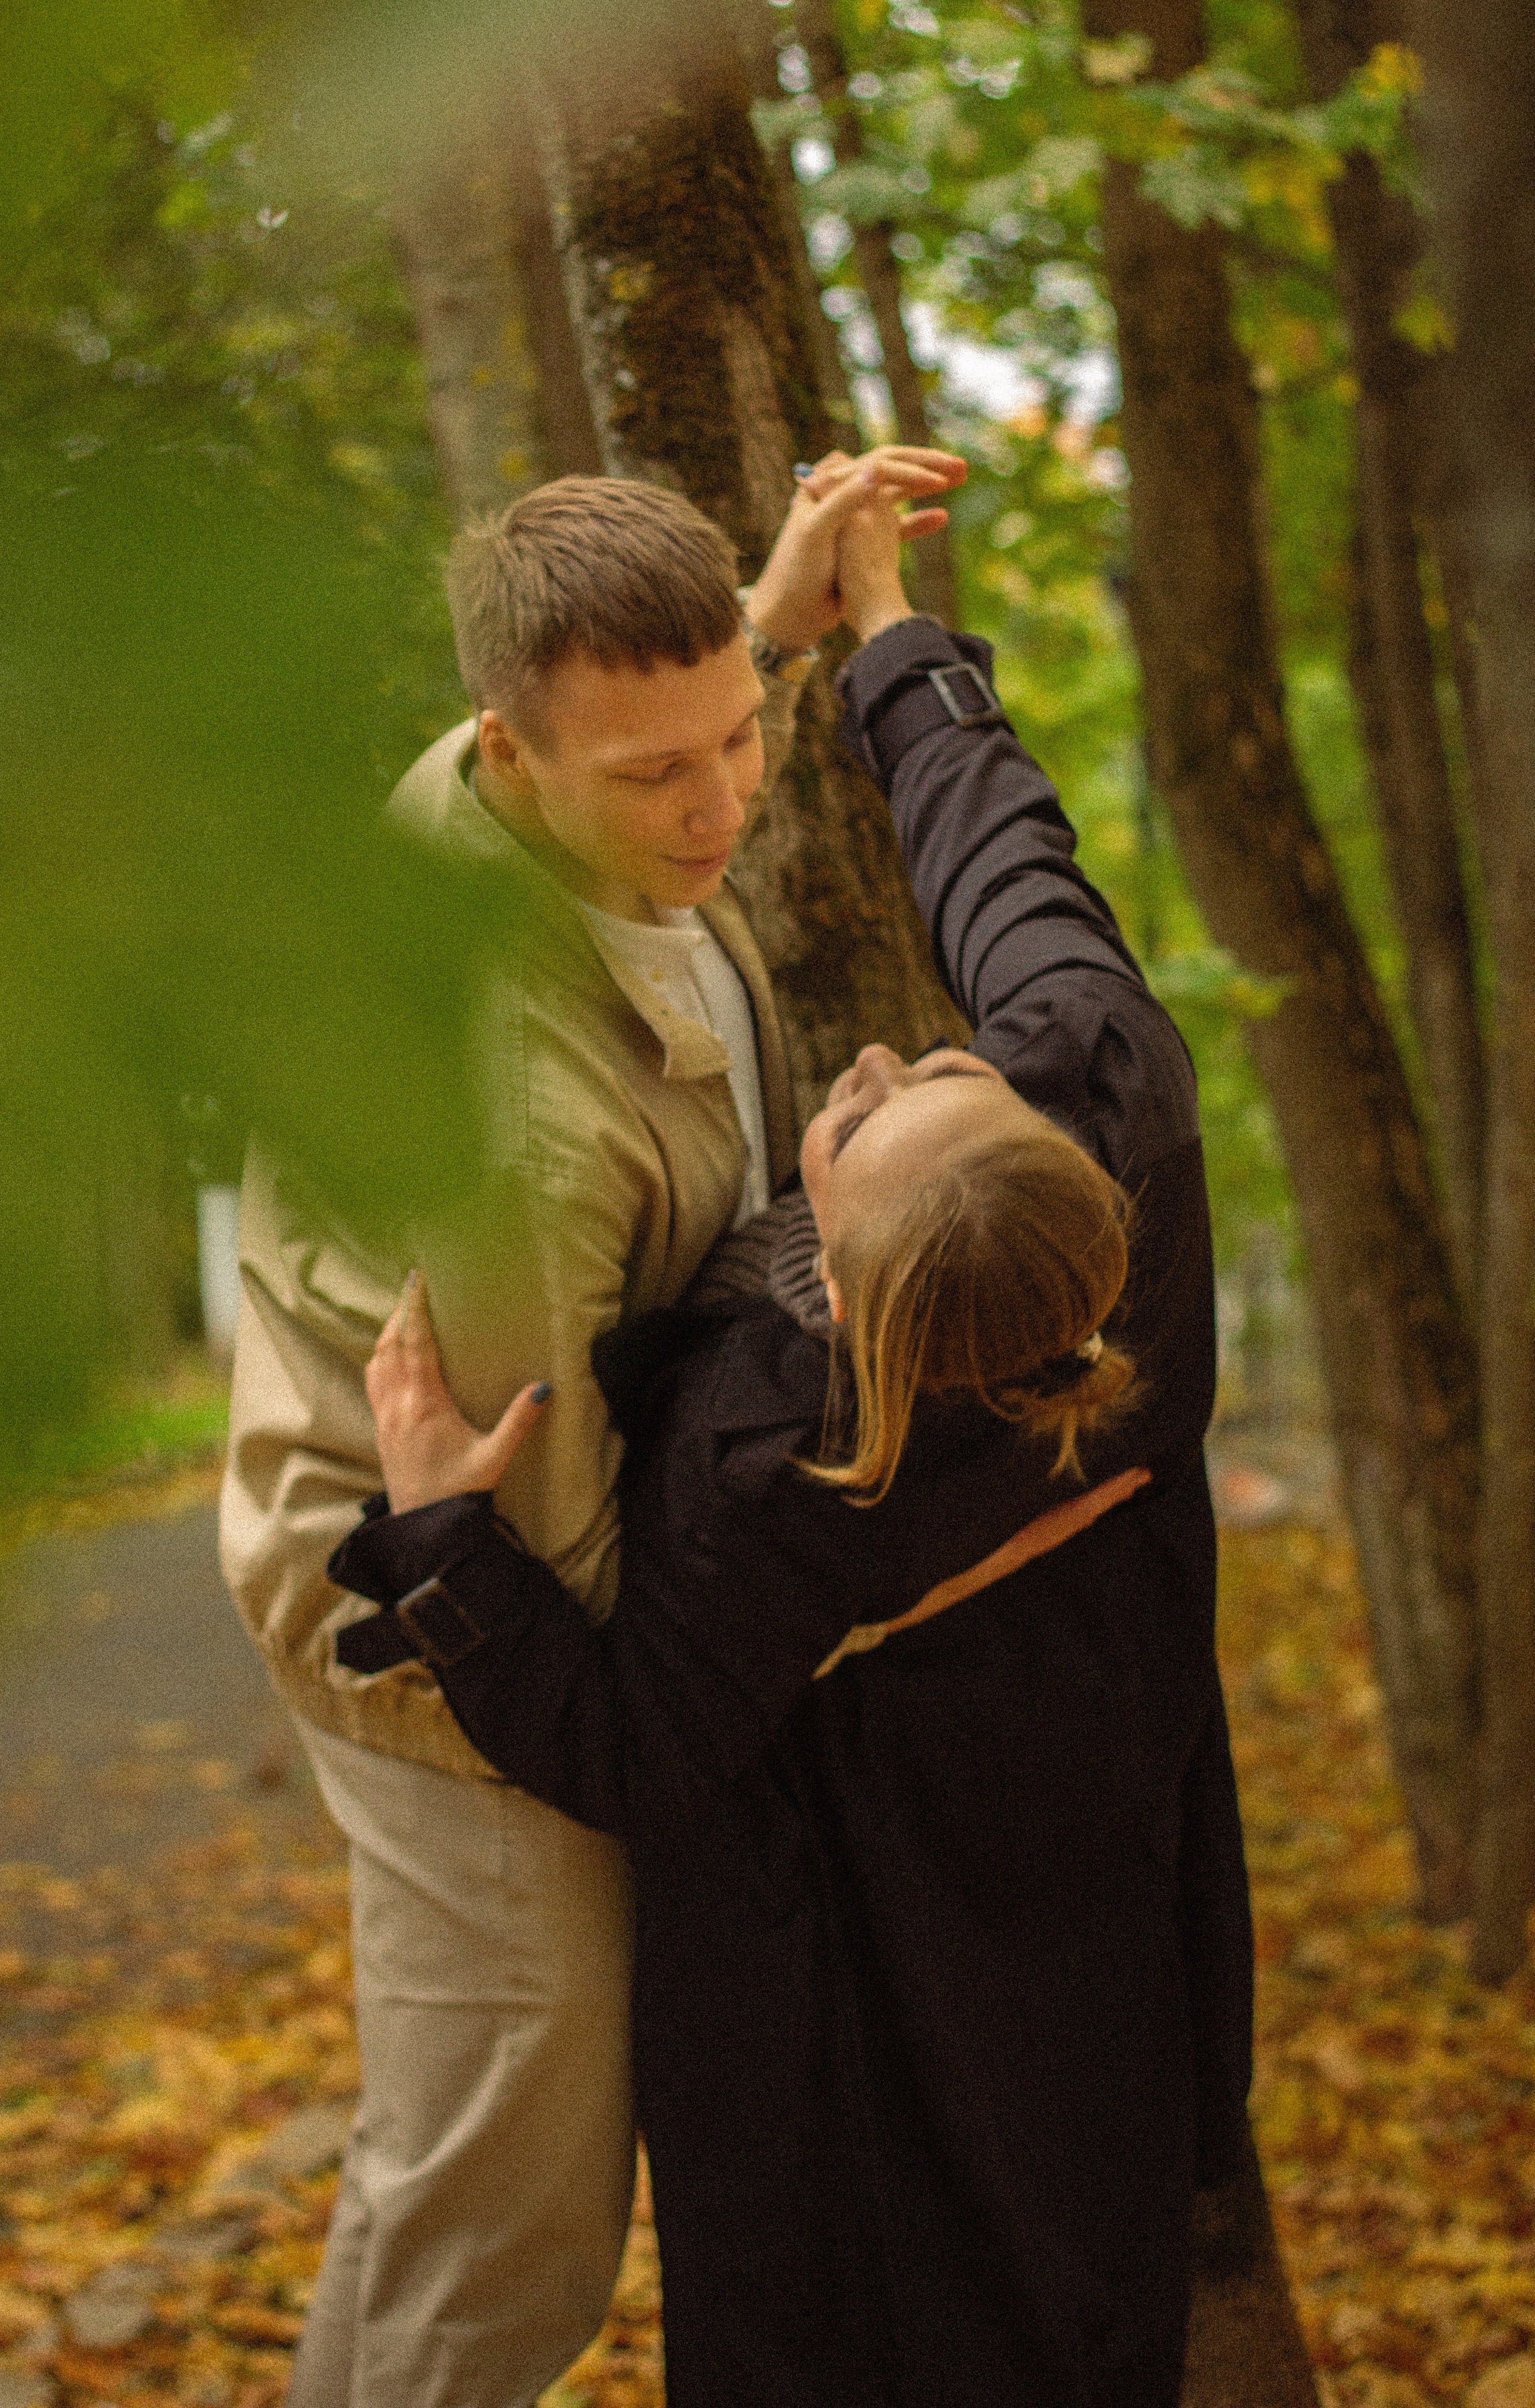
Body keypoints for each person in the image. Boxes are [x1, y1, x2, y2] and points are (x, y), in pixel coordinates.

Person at [331, 467, 1257, 2407]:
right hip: (1093, 1814)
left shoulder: (781, 1460)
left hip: (885, 1883)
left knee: (882, 2286)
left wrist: (441, 1542)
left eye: (858, 1124)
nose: (883, 1059)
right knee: (1076, 2236)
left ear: (837, 1281)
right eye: (945, 1066)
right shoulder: (1121, 1116)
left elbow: (627, 1735)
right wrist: (888, 642)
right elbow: (1007, 863)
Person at [217, 449, 967, 2408]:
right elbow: (554, 1593)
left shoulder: (496, 787)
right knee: (511, 2208)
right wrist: (828, 1620)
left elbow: (661, 713)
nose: (719, 803)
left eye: (737, 732)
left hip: (538, 1506)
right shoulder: (517, 1132)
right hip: (448, 1627)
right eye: (657, 776)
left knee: (459, 2178)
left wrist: (780, 626)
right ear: (513, 751)